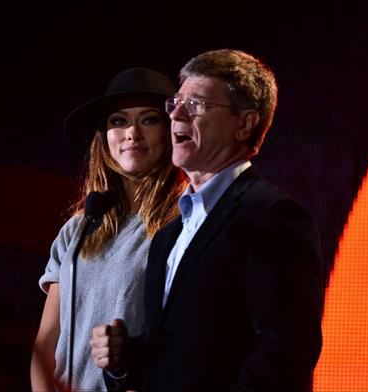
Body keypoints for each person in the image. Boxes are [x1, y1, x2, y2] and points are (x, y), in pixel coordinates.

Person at [90, 49, 325, 391]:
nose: (177, 115)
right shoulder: (170, 233)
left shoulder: (272, 216)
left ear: (244, 124)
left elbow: (286, 350)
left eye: (197, 104)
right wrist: (123, 359)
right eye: (175, 104)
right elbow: (179, 352)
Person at [30, 67, 186, 391]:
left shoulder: (184, 225)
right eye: (118, 120)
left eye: (149, 119)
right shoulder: (78, 229)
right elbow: (46, 343)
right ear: (105, 136)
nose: (132, 133)